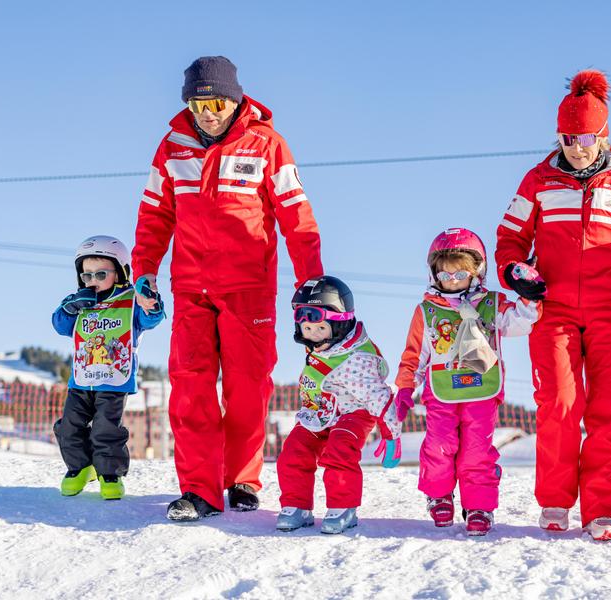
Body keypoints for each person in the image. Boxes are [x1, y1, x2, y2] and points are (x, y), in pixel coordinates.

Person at [132, 56, 324, 521]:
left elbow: (296, 219)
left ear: (234, 100)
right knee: (190, 385)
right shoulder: (172, 147)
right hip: (192, 286)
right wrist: (145, 271)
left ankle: (241, 479)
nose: (208, 113)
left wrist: (311, 282)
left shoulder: (267, 145)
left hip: (249, 288)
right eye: (198, 104)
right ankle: (199, 489)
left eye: (217, 102)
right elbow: (155, 215)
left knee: (246, 386)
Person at [495, 69, 611, 540]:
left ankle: (602, 509)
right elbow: (510, 239)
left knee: (610, 410)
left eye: (586, 138)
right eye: (568, 137)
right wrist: (515, 272)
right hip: (551, 309)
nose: (577, 147)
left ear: (604, 135)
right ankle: (555, 501)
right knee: (559, 403)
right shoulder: (537, 179)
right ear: (559, 135)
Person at [395, 228, 540, 536]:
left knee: (477, 450)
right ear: (434, 274)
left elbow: (520, 322)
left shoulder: (491, 304)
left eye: (460, 273)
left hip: (481, 391)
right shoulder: (427, 311)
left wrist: (529, 295)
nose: (452, 280)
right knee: (439, 445)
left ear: (477, 272)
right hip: (441, 393)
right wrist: (406, 388)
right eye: (445, 274)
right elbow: (414, 355)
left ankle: (479, 506)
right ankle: (439, 495)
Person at [276, 276, 402, 534]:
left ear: (340, 324)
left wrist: (391, 435)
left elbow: (380, 397)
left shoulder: (357, 358)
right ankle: (297, 505)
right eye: (306, 330)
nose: (313, 336)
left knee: (339, 448)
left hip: (355, 412)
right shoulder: (322, 347)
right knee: (294, 448)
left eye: (320, 329)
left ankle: (343, 507)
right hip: (321, 412)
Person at [52, 235, 165, 499]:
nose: (92, 281)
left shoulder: (130, 300)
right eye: (86, 275)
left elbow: (151, 319)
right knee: (69, 427)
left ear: (121, 271)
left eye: (101, 274)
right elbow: (60, 325)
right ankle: (80, 468)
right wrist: (70, 307)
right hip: (81, 380)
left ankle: (110, 473)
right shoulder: (78, 302)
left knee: (106, 429)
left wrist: (151, 303)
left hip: (114, 380)